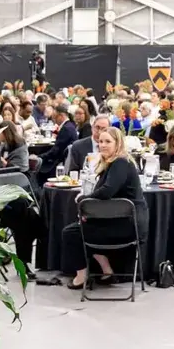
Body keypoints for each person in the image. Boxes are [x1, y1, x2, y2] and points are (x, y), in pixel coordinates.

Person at [60, 126, 146, 289]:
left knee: (71, 233)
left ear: (118, 143)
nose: (103, 145)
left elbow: (107, 191)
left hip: (127, 225)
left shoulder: (120, 162)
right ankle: (107, 271)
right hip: (122, 222)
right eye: (100, 141)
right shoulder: (115, 163)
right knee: (82, 228)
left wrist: (84, 200)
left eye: (108, 141)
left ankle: (82, 276)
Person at [37, 102, 77, 179]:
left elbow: (56, 151)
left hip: (60, 161)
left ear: (61, 116)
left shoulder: (66, 129)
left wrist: (40, 157)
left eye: (54, 117)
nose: (54, 120)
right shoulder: (70, 126)